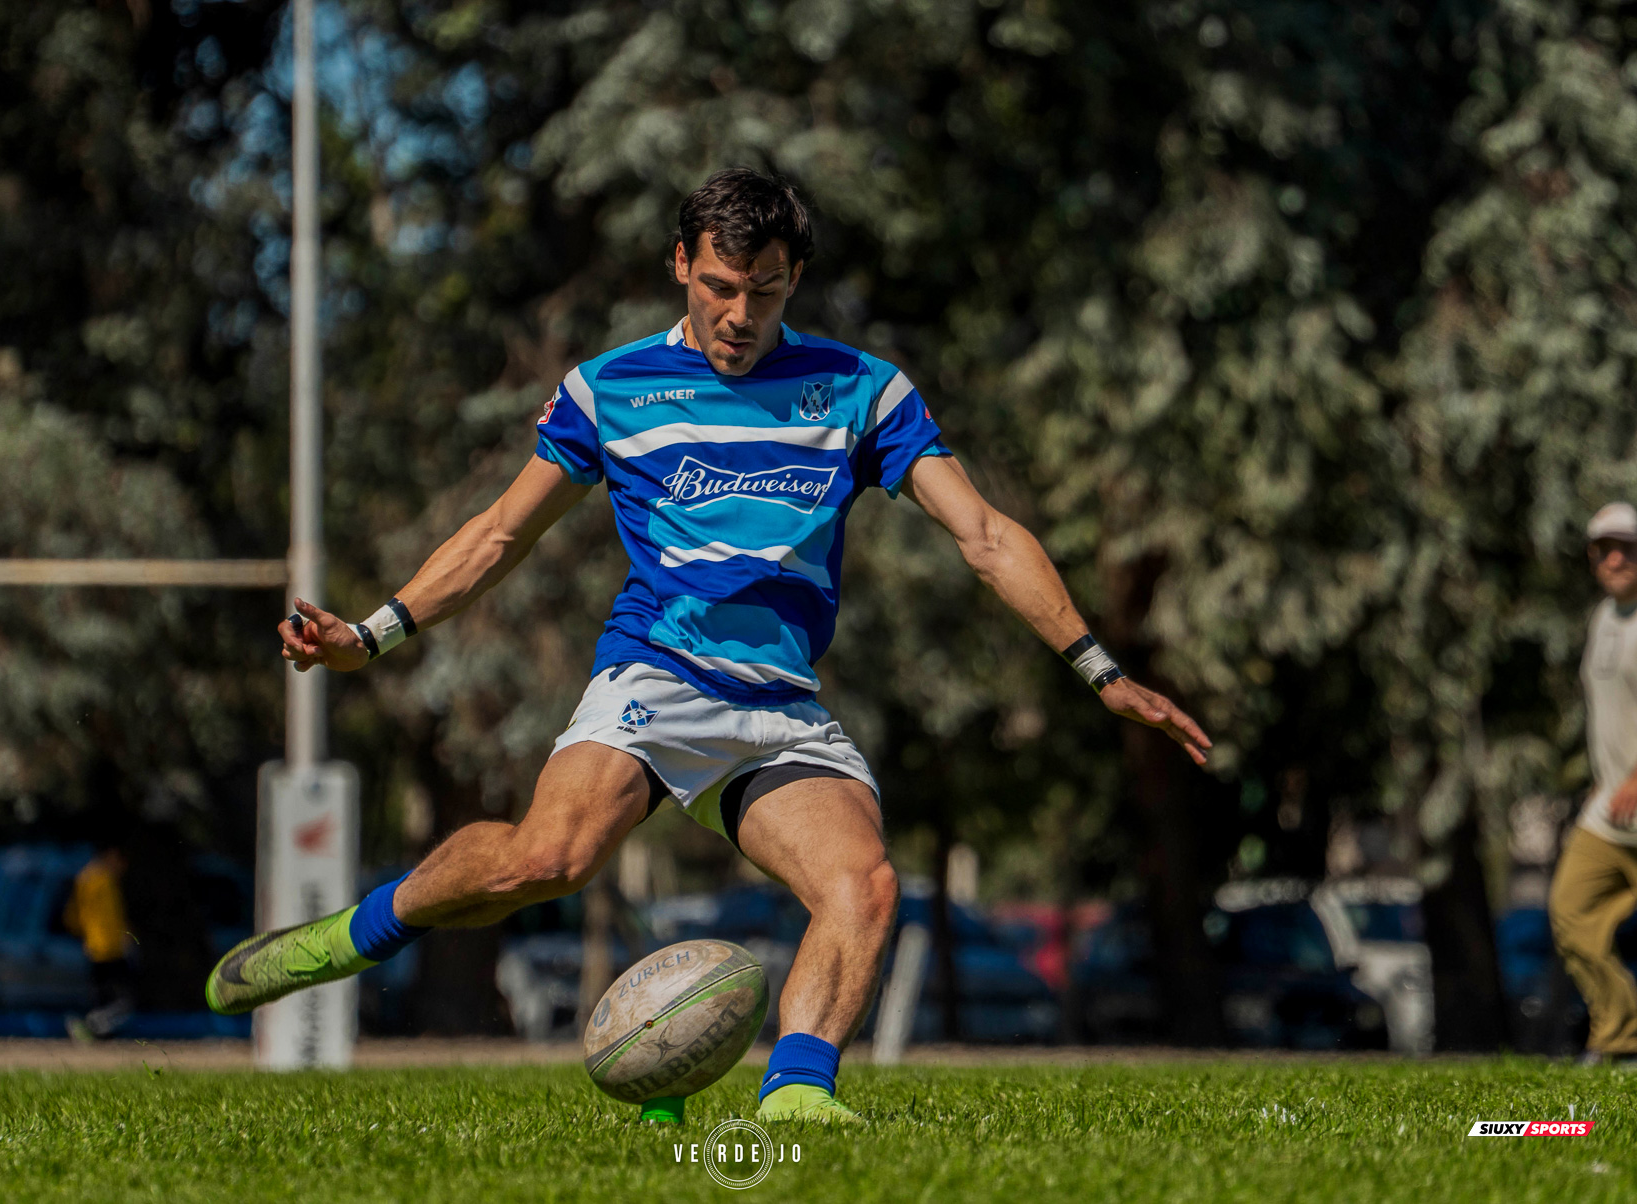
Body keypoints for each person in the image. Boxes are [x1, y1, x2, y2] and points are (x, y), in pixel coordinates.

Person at [206, 169, 1211, 1120]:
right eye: (724, 286)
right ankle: (351, 934)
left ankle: (797, 1105)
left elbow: (984, 534)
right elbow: (499, 533)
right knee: (543, 859)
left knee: (862, 885)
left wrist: (1101, 668)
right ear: (681, 262)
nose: (742, 315)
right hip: (658, 670)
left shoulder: (862, 392)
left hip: (779, 704)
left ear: (794, 280)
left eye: (767, 291)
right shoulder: (614, 389)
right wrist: (372, 636)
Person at [1551, 501, 1637, 1068]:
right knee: (1570, 910)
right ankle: (1620, 1039)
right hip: (1613, 809)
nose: (1616, 557)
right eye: (1605, 548)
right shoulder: (1604, 619)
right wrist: (1606, 781)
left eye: (1626, 547)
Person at [65, 841, 136, 1041]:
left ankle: (97, 1032)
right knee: (119, 999)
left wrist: (82, 933)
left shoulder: (86, 878)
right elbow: (113, 917)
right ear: (111, 855)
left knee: (103, 997)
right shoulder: (102, 880)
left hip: (95, 947)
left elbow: (72, 917)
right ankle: (89, 1026)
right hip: (110, 949)